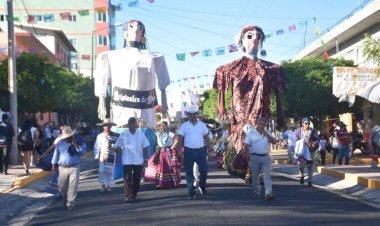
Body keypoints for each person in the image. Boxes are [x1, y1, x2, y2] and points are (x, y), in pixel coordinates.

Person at [213, 25, 286, 182]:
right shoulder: (232, 68)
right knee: (246, 144)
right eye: (250, 36)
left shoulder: (271, 69)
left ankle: (257, 175)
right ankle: (250, 172)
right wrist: (223, 108)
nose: (255, 38)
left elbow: (278, 91)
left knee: (259, 144)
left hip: (261, 115)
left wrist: (281, 116)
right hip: (241, 116)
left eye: (259, 36)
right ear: (242, 41)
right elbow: (220, 75)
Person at [94, 19, 170, 128]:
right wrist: (101, 98)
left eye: (140, 28)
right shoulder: (112, 56)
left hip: (145, 109)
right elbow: (102, 76)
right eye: (131, 26)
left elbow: (163, 79)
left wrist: (164, 102)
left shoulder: (152, 57)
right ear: (125, 33)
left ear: (143, 35)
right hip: (122, 109)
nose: (136, 29)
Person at [177, 106, 212, 200]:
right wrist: (179, 150)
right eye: (191, 114)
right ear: (188, 115)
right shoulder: (184, 125)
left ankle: (202, 185)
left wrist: (210, 148)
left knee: (204, 169)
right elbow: (180, 138)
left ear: (197, 114)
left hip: (200, 150)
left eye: (194, 114)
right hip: (188, 151)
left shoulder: (202, 125)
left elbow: (206, 137)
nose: (193, 115)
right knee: (188, 173)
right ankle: (191, 190)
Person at [51, 126, 87, 211]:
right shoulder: (60, 143)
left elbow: (83, 153)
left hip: (74, 167)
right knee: (62, 187)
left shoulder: (79, 141)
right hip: (62, 168)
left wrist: (76, 144)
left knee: (73, 186)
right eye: (67, 137)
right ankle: (65, 199)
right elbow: (56, 155)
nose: (69, 138)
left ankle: (70, 203)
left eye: (70, 136)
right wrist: (53, 166)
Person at [114, 117, 149, 203]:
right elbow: (118, 146)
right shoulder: (123, 134)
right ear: (128, 125)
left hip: (138, 160)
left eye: (134, 124)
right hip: (127, 160)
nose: (132, 126)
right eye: (130, 124)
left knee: (137, 179)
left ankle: (134, 194)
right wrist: (118, 158)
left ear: (136, 125)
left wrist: (146, 159)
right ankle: (128, 196)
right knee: (127, 178)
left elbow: (145, 147)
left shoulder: (141, 134)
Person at [243, 117, 277, 200]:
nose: (262, 126)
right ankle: (256, 192)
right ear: (257, 124)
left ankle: (268, 193)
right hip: (254, 156)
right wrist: (247, 155)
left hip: (265, 156)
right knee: (255, 176)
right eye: (260, 124)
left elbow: (274, 141)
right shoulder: (251, 133)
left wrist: (266, 134)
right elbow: (246, 145)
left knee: (267, 176)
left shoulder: (267, 132)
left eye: (264, 124)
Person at [144, 121, 181, 188]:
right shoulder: (158, 134)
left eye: (164, 125)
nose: (162, 127)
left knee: (169, 168)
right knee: (160, 168)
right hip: (160, 153)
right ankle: (159, 183)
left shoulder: (170, 134)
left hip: (168, 153)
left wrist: (172, 147)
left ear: (167, 126)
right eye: (161, 126)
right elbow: (150, 132)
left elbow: (177, 138)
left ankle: (170, 183)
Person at [293, 117, 319, 187]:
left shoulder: (313, 131)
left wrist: (314, 143)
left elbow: (317, 140)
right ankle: (302, 175)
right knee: (301, 166)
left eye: (308, 123)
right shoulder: (298, 131)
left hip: (310, 151)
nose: (307, 125)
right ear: (302, 124)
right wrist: (304, 141)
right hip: (302, 152)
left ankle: (310, 181)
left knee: (310, 166)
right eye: (306, 123)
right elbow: (295, 140)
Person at [93, 118, 118, 192]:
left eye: (109, 125)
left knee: (110, 171)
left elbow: (118, 146)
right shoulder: (100, 136)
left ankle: (109, 185)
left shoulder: (115, 136)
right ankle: (103, 185)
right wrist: (97, 155)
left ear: (110, 126)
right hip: (102, 155)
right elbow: (97, 146)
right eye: (106, 125)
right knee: (101, 170)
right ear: (103, 126)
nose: (107, 127)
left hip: (111, 154)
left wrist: (112, 146)